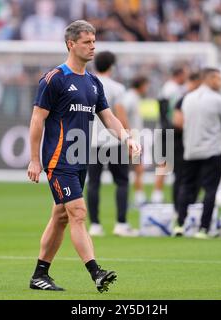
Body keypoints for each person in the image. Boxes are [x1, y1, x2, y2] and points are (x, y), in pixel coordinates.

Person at [27, 20, 141, 293]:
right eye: (87, 42)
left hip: (81, 159)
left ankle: (39, 274)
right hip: (59, 160)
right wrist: (34, 159)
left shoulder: (92, 82)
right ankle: (96, 272)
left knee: (61, 217)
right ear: (71, 44)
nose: (93, 47)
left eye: (94, 42)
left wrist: (127, 138)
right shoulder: (54, 79)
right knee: (78, 213)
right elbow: (36, 120)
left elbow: (108, 117)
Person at [175, 68, 221, 239]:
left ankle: (180, 225)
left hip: (191, 150)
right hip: (211, 150)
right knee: (210, 189)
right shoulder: (218, 100)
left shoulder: (188, 98)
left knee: (186, 186)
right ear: (211, 79)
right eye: (219, 79)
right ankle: (204, 228)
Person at [87, 51, 139, 237]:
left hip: (93, 141)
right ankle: (121, 224)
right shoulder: (117, 88)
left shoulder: (88, 83)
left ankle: (94, 225)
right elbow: (120, 114)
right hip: (114, 141)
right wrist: (130, 137)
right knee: (122, 182)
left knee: (93, 183)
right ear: (112, 66)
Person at [151, 66, 187, 203]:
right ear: (179, 74)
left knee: (166, 162)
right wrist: (169, 127)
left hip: (167, 129)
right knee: (164, 162)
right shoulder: (171, 89)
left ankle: (158, 194)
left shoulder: (172, 88)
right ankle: (157, 194)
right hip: (168, 130)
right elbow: (165, 112)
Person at [172, 72, 202, 227]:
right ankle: (179, 210)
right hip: (181, 144)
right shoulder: (184, 99)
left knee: (189, 180)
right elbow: (177, 121)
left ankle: (185, 210)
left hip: (190, 144)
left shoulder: (187, 99)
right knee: (183, 179)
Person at [123, 75, 150, 207]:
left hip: (134, 139)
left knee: (137, 169)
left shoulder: (134, 97)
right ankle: (138, 198)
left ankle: (138, 197)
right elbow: (121, 114)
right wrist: (129, 137)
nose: (147, 89)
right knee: (137, 169)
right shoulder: (130, 98)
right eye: (146, 85)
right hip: (132, 140)